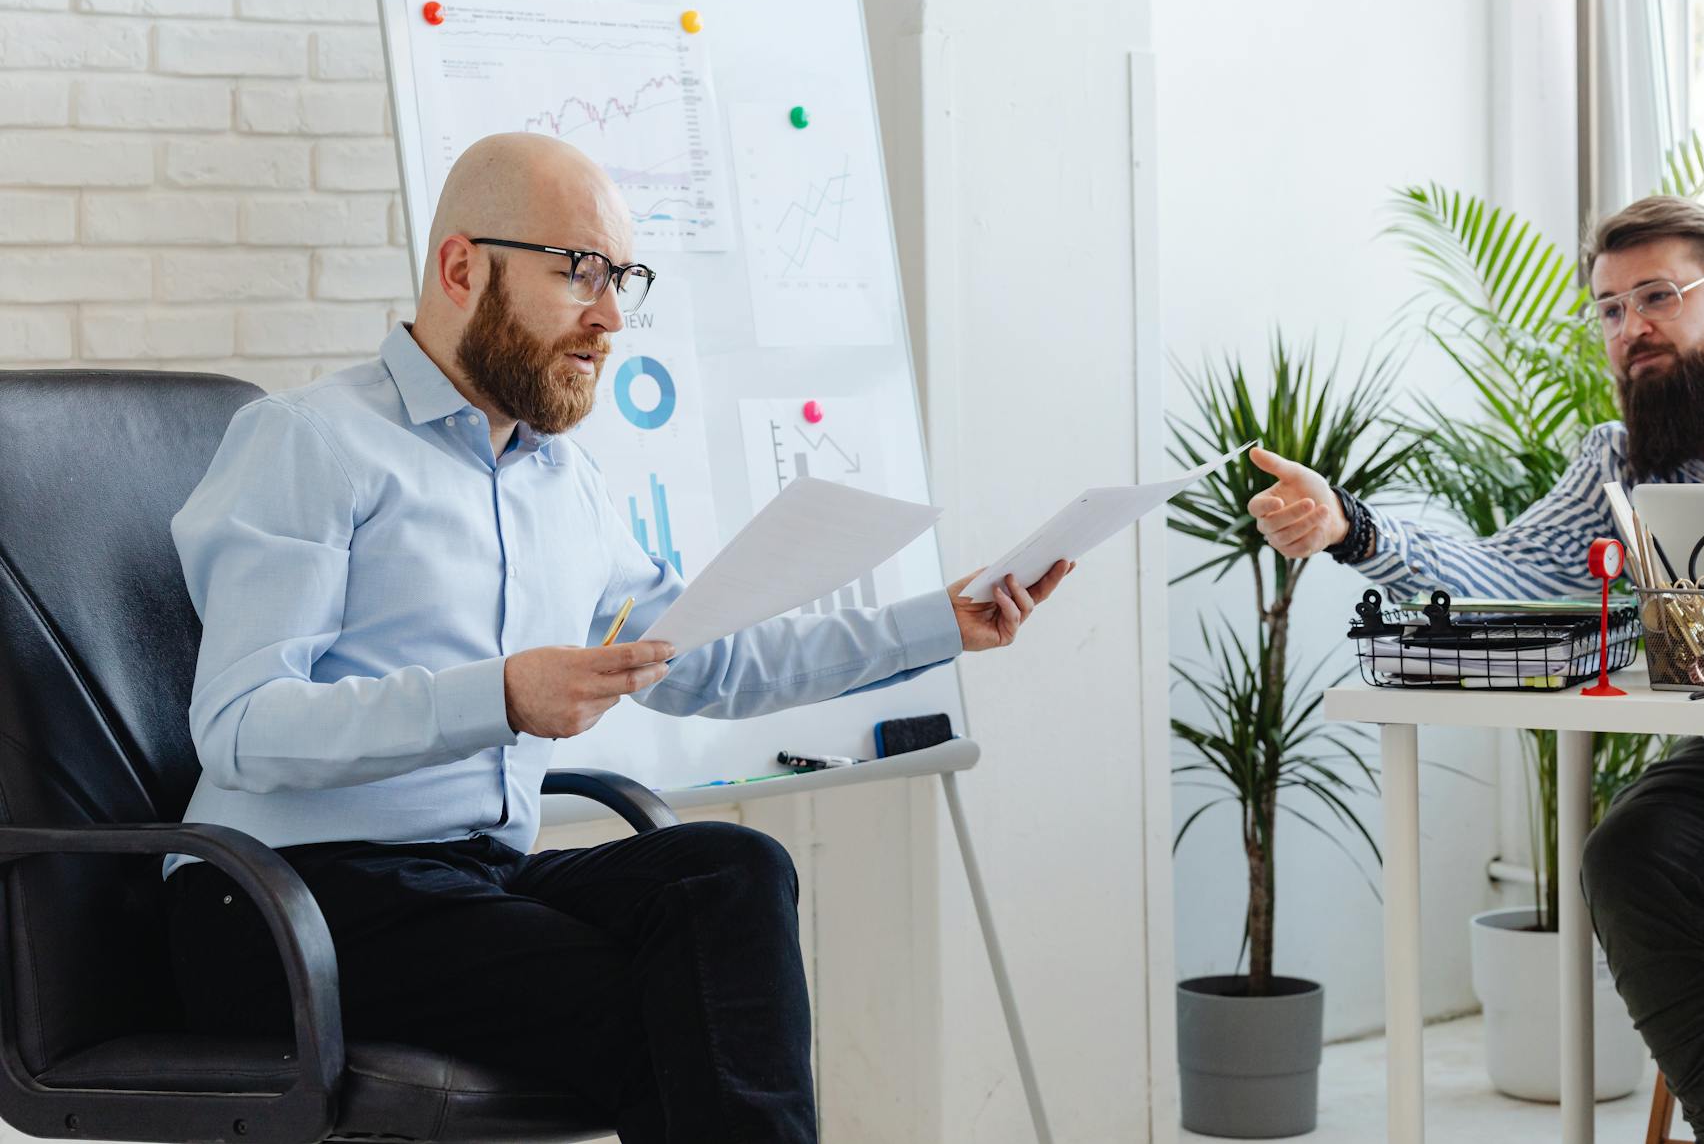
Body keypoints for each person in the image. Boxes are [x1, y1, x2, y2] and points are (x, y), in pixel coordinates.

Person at [164, 132, 1073, 1144]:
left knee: (730, 871)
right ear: (462, 267)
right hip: (283, 900)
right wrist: (500, 696)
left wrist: (936, 622)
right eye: (579, 270)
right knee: (680, 1010)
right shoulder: (314, 442)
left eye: (621, 278)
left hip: (467, 881)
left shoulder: (567, 485)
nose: (609, 316)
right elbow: (240, 725)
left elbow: (703, 659)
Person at [1246, 194, 1704, 1143]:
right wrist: (1353, 524)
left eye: (1657, 296)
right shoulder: (1619, 462)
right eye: (1612, 309)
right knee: (1626, 853)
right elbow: (1499, 567)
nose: (1633, 329)